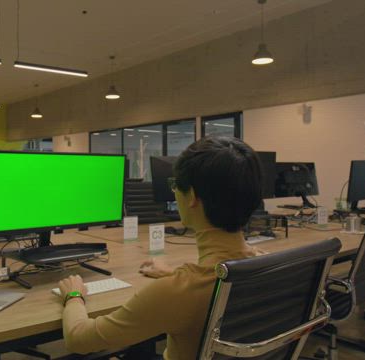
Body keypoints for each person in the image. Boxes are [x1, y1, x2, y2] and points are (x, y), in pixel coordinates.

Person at [58, 136, 265, 360]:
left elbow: (77, 338)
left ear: (193, 196)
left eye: (175, 185)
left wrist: (74, 294)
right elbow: (205, 283)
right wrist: (175, 275)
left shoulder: (178, 292)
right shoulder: (270, 264)